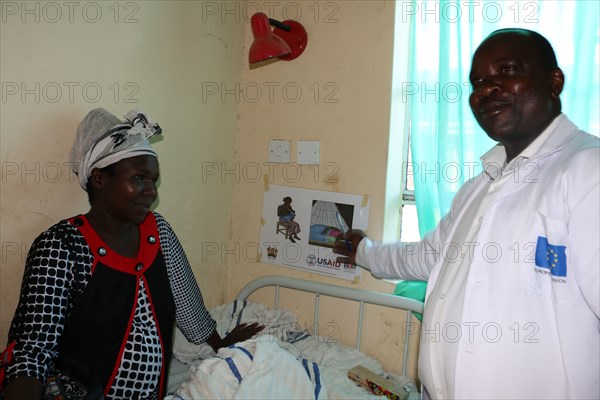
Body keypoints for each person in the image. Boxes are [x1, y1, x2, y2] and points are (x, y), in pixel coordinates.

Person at [334, 28, 599, 399]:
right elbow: (428, 257)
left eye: (508, 71)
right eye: (478, 81)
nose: (488, 89)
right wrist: (364, 251)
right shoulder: (481, 187)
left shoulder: (587, 170)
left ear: (555, 81)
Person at [0, 108, 264, 400]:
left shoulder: (158, 232)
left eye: (153, 180)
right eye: (139, 178)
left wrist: (224, 345)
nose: (151, 191)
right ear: (99, 178)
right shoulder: (60, 247)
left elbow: (190, 310)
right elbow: (32, 353)